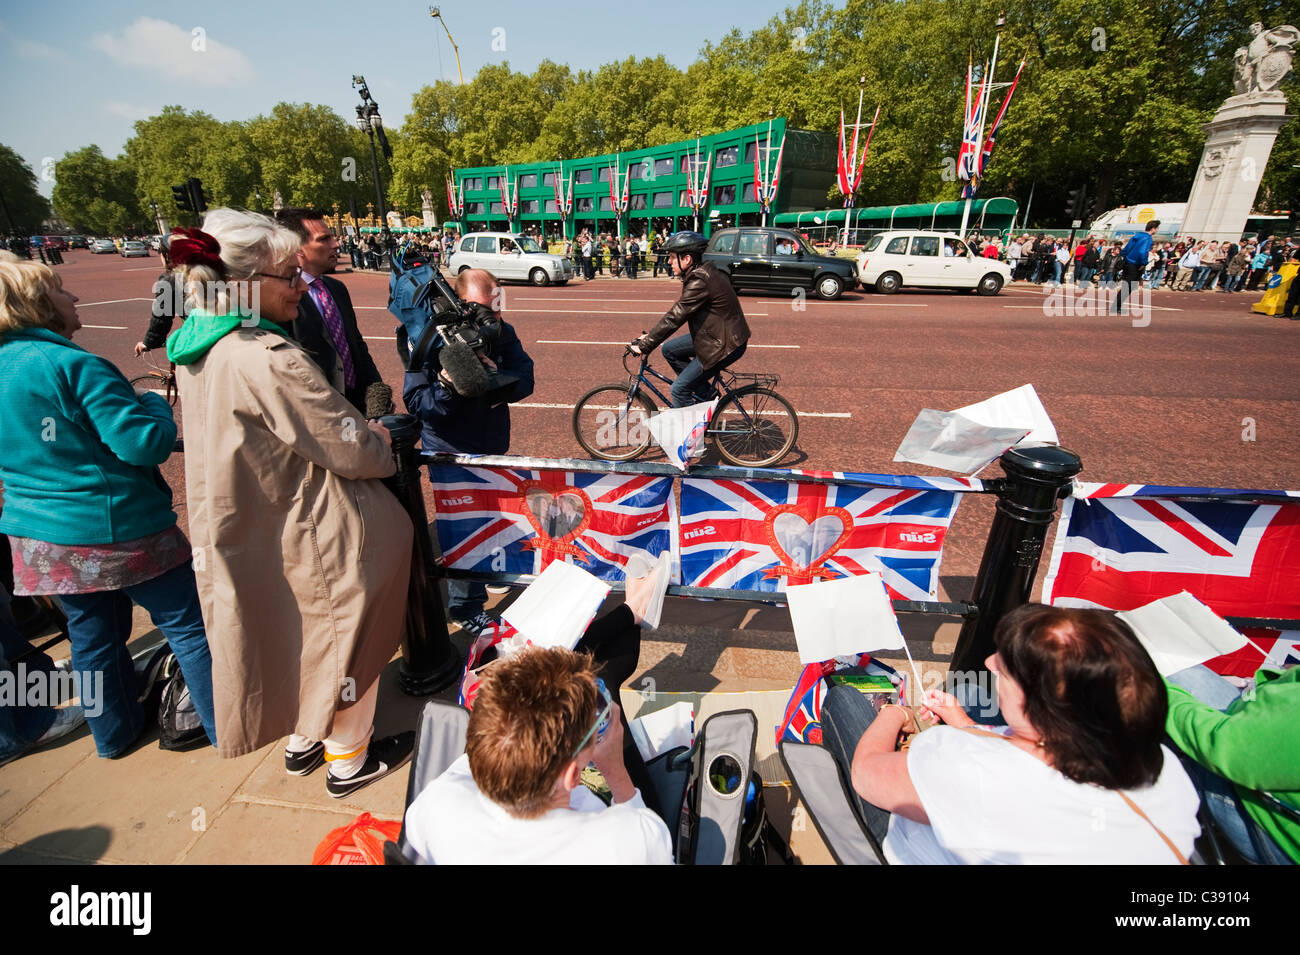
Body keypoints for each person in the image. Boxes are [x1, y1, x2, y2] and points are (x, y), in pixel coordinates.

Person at [166, 210, 414, 796]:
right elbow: (348, 447)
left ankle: (303, 739)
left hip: (265, 519)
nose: (300, 286)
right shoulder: (264, 357)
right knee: (347, 640)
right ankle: (349, 760)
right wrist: (380, 441)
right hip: (316, 524)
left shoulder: (197, 348)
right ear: (248, 284)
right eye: (287, 275)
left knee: (299, 634)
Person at [0, 255, 216, 759]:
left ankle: (113, 736)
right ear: (34, 304)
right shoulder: (72, 364)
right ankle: (222, 723)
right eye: (59, 290)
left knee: (93, 641)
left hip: (39, 538)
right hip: (116, 528)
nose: (72, 299)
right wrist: (158, 405)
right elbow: (143, 444)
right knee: (190, 628)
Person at [820, 603, 1200, 863]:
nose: (989, 662)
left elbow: (867, 774)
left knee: (846, 702)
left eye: (1006, 667)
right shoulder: (1163, 767)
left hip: (915, 846)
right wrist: (967, 727)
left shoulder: (961, 762)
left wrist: (893, 712)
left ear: (1042, 705)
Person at [403, 588, 673, 864]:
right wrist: (616, 770)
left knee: (608, 673)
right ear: (571, 775)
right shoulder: (625, 842)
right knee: (609, 676)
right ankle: (630, 618)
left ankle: (630, 616)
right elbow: (653, 841)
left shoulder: (437, 806)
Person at [402, 268, 535, 635]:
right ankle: (464, 606)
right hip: (450, 450)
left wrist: (495, 379)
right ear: (457, 303)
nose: (490, 317)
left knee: (494, 515)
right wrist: (452, 384)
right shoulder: (426, 337)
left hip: (492, 443)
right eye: (481, 308)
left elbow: (526, 379)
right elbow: (418, 404)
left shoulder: (501, 332)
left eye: (495, 307)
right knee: (466, 528)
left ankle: (487, 573)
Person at [1164, 662, 1297, 864]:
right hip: (1248, 727)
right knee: (1184, 674)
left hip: (1263, 816)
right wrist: (1256, 683)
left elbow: (1221, 746)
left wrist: (1158, 691)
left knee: (1161, 682)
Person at [275, 208, 382, 414]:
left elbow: (356, 345)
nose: (336, 244)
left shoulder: (337, 288)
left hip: (356, 405)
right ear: (297, 248)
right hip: (318, 412)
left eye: (333, 237)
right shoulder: (284, 297)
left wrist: (376, 392)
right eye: (324, 239)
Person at [630, 231, 750, 408]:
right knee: (670, 349)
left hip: (726, 343)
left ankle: (691, 435)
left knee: (679, 389)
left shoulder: (700, 280)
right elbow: (677, 314)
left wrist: (646, 345)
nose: (668, 262)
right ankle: (706, 395)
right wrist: (650, 337)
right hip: (716, 334)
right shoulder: (700, 274)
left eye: (672, 257)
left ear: (686, 259)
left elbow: (676, 316)